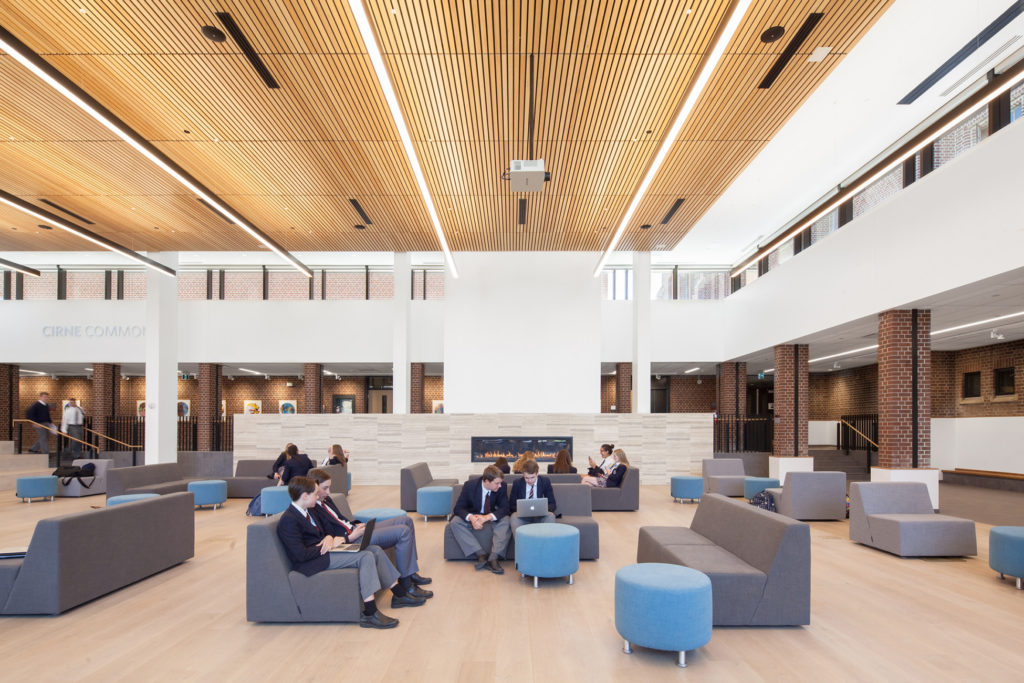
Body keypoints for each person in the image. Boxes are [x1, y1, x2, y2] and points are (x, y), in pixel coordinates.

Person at [275, 476, 422, 629]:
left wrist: (328, 538)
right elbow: (300, 555)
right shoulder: (289, 519)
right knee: (365, 556)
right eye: (315, 494)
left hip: (325, 553)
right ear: (305, 496)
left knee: (375, 550)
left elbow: (324, 532)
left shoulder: (308, 511)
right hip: (314, 561)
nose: (317, 496)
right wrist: (327, 546)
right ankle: (370, 612)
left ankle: (399, 593)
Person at [306, 468, 432, 599]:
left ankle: (411, 573)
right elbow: (328, 535)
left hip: (355, 530)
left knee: (406, 521)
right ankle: (406, 583)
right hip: (352, 539)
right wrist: (350, 536)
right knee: (402, 532)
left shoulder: (326, 500)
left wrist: (355, 524)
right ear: (314, 487)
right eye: (325, 488)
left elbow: (340, 519)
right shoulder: (312, 507)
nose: (329, 492)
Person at [448, 465, 510, 574]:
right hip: (474, 515)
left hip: (490, 516)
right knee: (455, 522)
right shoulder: (470, 486)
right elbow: (458, 508)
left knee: (506, 520)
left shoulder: (502, 486)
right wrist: (471, 518)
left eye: (500, 483)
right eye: (497, 483)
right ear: (487, 481)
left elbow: (505, 508)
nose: (500, 485)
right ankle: (480, 554)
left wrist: (487, 517)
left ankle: (494, 557)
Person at [508, 459, 557, 534]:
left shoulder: (545, 482)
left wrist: (541, 510)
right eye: (526, 478)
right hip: (523, 517)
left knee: (551, 516)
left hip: (540, 516)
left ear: (537, 474)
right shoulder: (517, 483)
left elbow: (552, 504)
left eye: (532, 477)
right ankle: (521, 542)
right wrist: (523, 510)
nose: (530, 481)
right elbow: (511, 505)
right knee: (514, 517)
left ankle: (546, 541)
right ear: (523, 475)